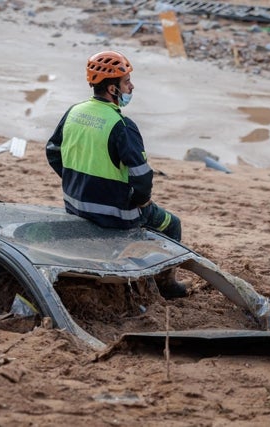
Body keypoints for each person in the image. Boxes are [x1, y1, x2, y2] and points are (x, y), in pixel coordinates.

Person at [46, 50, 188, 299]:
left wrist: (75, 180)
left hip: (75, 205)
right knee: (171, 224)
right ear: (113, 89)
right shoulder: (122, 125)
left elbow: (52, 151)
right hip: (115, 215)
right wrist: (141, 202)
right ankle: (166, 286)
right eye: (126, 82)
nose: (131, 86)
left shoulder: (74, 112)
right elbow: (142, 178)